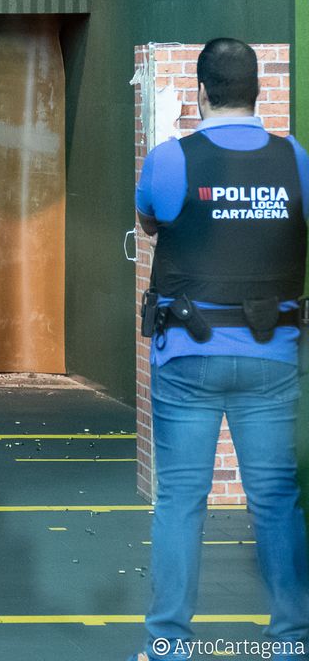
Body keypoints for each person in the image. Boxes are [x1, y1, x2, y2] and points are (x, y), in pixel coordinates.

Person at [133, 38, 309, 660]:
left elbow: (152, 221)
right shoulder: (296, 160)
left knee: (180, 499)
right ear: (258, 89)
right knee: (276, 499)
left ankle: (169, 645)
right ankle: (292, 641)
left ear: (202, 92)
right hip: (275, 356)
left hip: (189, 354)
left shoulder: (170, 159)